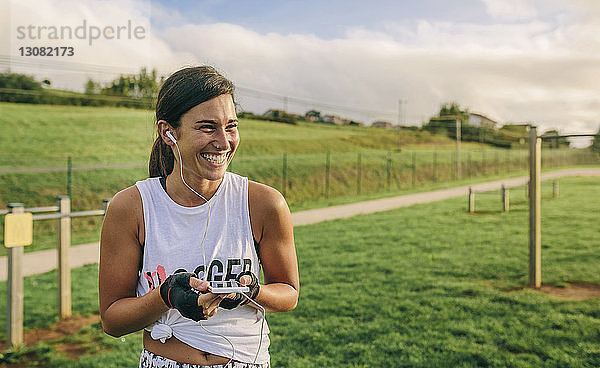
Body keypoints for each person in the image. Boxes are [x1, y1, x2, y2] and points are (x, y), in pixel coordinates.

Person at [99, 66, 299, 368]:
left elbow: (289, 293)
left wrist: (252, 292)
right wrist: (165, 296)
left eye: (231, 126)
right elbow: (112, 320)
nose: (223, 141)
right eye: (207, 127)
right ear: (169, 133)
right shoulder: (132, 206)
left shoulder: (264, 203)